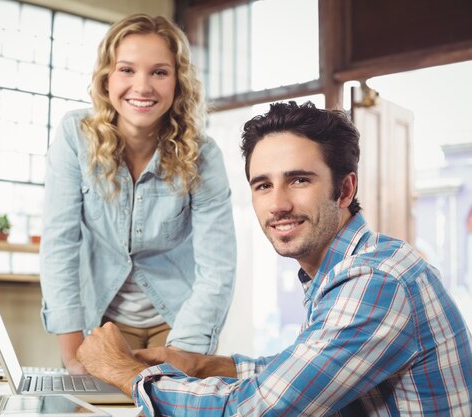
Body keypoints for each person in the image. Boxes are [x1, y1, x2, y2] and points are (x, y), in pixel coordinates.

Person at [76, 101, 472, 415]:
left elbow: (255, 410)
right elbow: (298, 371)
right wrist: (202, 364)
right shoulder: (348, 267)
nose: (278, 204)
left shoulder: (376, 281)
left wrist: (122, 370)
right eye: (263, 185)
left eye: (299, 180)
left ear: (345, 188)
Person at [39, 13, 236, 375]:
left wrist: (185, 356)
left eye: (159, 72)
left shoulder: (204, 156)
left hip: (180, 322)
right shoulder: (75, 137)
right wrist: (72, 356)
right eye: (127, 70)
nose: (142, 87)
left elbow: (218, 269)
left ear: (178, 82)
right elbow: (59, 245)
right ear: (107, 78)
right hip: (102, 323)